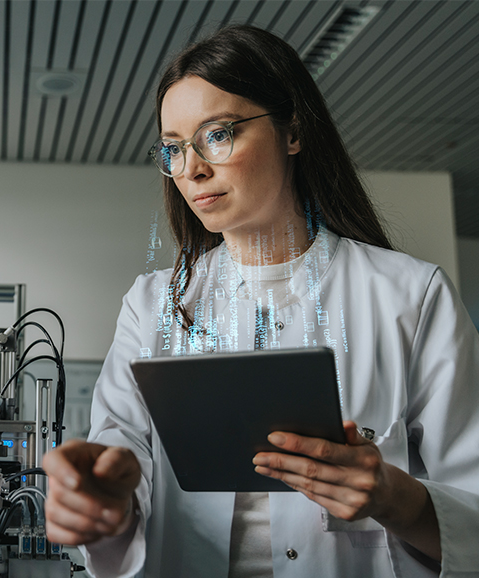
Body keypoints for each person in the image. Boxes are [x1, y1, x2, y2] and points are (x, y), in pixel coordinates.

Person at [42, 25, 479, 578]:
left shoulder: (410, 297)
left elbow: (474, 509)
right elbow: (122, 466)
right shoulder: (152, 305)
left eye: (217, 134)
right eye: (173, 149)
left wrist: (396, 498)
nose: (192, 168)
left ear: (292, 131)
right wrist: (100, 500)